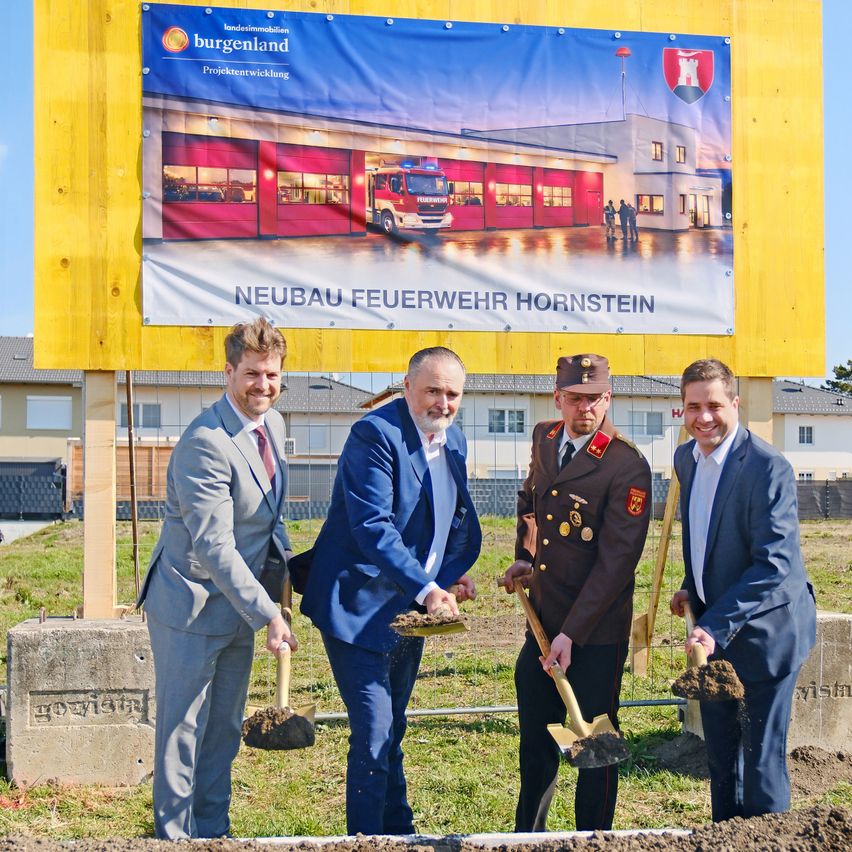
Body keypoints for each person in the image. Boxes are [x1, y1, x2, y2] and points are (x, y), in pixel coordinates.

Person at [300, 346, 482, 835]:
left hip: (408, 606)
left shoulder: (455, 441)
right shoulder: (375, 434)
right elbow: (373, 526)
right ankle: (364, 839)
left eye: (452, 394)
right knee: (375, 730)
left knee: (392, 726)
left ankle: (398, 831)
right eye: (432, 391)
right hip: (357, 606)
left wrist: (444, 575)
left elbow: (446, 518)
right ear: (406, 387)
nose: (442, 403)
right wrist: (427, 589)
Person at [137, 318, 297, 839]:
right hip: (190, 604)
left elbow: (268, 523)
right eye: (252, 374)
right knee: (183, 731)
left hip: (239, 605)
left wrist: (283, 590)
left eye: (272, 375)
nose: (263, 386)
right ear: (228, 372)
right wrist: (268, 611)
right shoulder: (205, 442)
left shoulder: (270, 426)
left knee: (224, 729)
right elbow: (214, 544)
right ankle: (174, 838)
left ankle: (211, 832)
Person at [502, 354, 652, 832]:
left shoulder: (627, 464)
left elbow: (616, 564)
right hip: (542, 620)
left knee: (596, 748)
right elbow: (532, 500)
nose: (585, 407)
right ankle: (529, 836)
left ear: (608, 398)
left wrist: (572, 634)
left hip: (595, 630)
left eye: (595, 398)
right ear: (558, 397)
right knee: (536, 739)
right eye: (575, 398)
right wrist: (525, 555)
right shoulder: (545, 438)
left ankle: (594, 838)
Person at [669, 358, 816, 822]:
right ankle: (725, 837)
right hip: (715, 633)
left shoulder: (768, 468)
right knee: (721, 758)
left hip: (767, 633)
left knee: (760, 762)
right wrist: (691, 589)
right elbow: (705, 536)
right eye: (693, 406)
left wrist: (713, 623)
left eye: (714, 405)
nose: (703, 417)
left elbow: (773, 563)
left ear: (735, 404)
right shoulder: (686, 458)